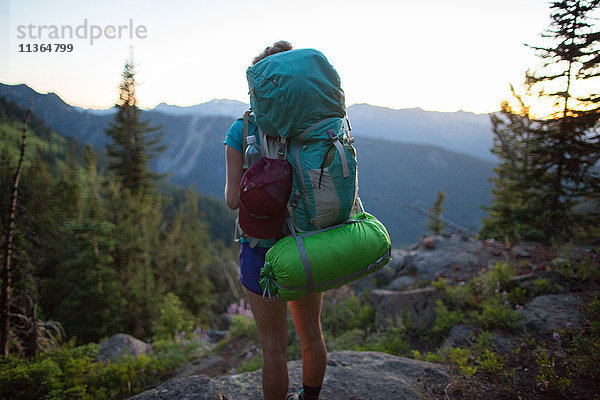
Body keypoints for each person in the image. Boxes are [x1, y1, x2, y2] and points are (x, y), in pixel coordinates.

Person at [224, 41, 327, 400]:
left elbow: (231, 200)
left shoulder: (240, 130)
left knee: (273, 349)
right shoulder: (315, 126)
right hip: (307, 245)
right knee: (311, 335)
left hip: (262, 251)